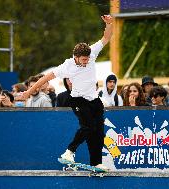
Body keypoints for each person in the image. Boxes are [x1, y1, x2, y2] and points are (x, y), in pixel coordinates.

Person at [17, 15, 113, 170]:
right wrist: (28, 92)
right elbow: (44, 78)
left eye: (87, 59)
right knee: (88, 127)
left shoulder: (92, 53)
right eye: (83, 59)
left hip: (94, 100)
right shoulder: (66, 66)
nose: (86, 61)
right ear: (75, 57)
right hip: (78, 100)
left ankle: (96, 164)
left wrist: (109, 24)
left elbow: (106, 38)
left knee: (98, 133)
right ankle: (69, 151)